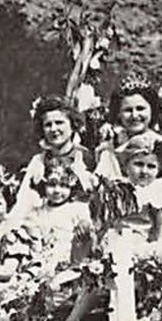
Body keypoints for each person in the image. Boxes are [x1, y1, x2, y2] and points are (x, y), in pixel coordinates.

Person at [9, 96, 97, 227]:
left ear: (73, 125)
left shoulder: (85, 158)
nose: (54, 129)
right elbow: (23, 203)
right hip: (44, 225)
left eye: (59, 122)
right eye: (48, 125)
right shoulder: (38, 162)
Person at [95, 76, 162, 181]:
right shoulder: (112, 141)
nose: (135, 115)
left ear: (152, 110)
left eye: (140, 109)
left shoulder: (157, 143)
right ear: (118, 113)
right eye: (128, 110)